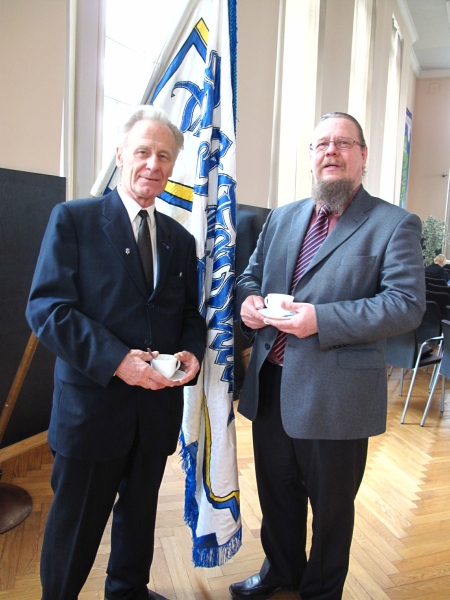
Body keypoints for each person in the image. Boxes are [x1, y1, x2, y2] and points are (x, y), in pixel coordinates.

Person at [229, 112, 425, 600]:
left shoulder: (393, 224)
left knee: (332, 509)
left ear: (362, 155)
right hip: (271, 385)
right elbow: (249, 277)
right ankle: (281, 572)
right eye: (321, 144)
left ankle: (320, 591)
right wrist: (249, 303)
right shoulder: (282, 217)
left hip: (337, 394)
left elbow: (405, 304)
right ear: (312, 157)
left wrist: (322, 319)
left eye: (343, 143)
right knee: (276, 493)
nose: (330, 152)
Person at [26, 105, 206, 600]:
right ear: (121, 153)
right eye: (143, 151)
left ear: (172, 166)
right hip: (92, 410)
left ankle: (128, 591)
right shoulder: (74, 220)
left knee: (139, 517)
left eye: (164, 156)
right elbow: (47, 309)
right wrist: (117, 361)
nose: (153, 164)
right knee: (75, 528)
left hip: (155, 410)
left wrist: (192, 352)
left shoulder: (179, 239)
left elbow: (188, 314)